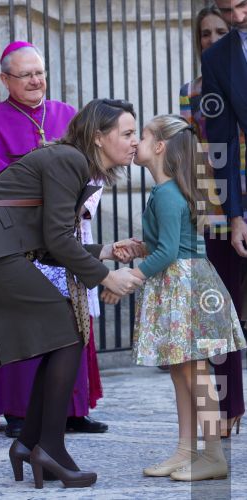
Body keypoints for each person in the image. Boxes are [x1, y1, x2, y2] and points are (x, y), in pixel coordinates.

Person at [0, 98, 143, 489]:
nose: (134, 141)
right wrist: (106, 277)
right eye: (128, 133)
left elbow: (53, 243)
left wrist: (105, 250)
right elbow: (55, 238)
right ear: (100, 138)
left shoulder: (71, 162)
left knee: (62, 335)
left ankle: (31, 443)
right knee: (67, 332)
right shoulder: (69, 160)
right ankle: (48, 448)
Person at [0, 40, 108, 437]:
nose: (35, 80)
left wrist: (79, 202)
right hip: (17, 241)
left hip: (64, 231)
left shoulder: (67, 116)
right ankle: (21, 411)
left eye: (39, 72)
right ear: (5, 78)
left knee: (72, 315)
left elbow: (90, 169)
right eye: (25, 75)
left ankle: (73, 409)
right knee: (24, 319)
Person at [103, 115, 246, 481]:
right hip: (183, 284)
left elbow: (168, 252)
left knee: (195, 373)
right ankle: (186, 450)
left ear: (161, 146)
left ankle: (212, 455)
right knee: (183, 372)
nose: (135, 142)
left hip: (185, 288)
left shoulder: (167, 193)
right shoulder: (166, 191)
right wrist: (137, 245)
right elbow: (168, 241)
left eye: (143, 135)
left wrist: (130, 277)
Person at [180, 5, 245, 439]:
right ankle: (227, 406)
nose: (212, 38)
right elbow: (193, 150)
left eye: (219, 31)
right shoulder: (192, 91)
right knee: (220, 313)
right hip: (218, 206)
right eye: (205, 32)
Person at [202, 0, 247, 258]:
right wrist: (235, 216)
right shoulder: (215, 60)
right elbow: (223, 143)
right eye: (228, 11)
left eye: (243, 4)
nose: (238, 16)